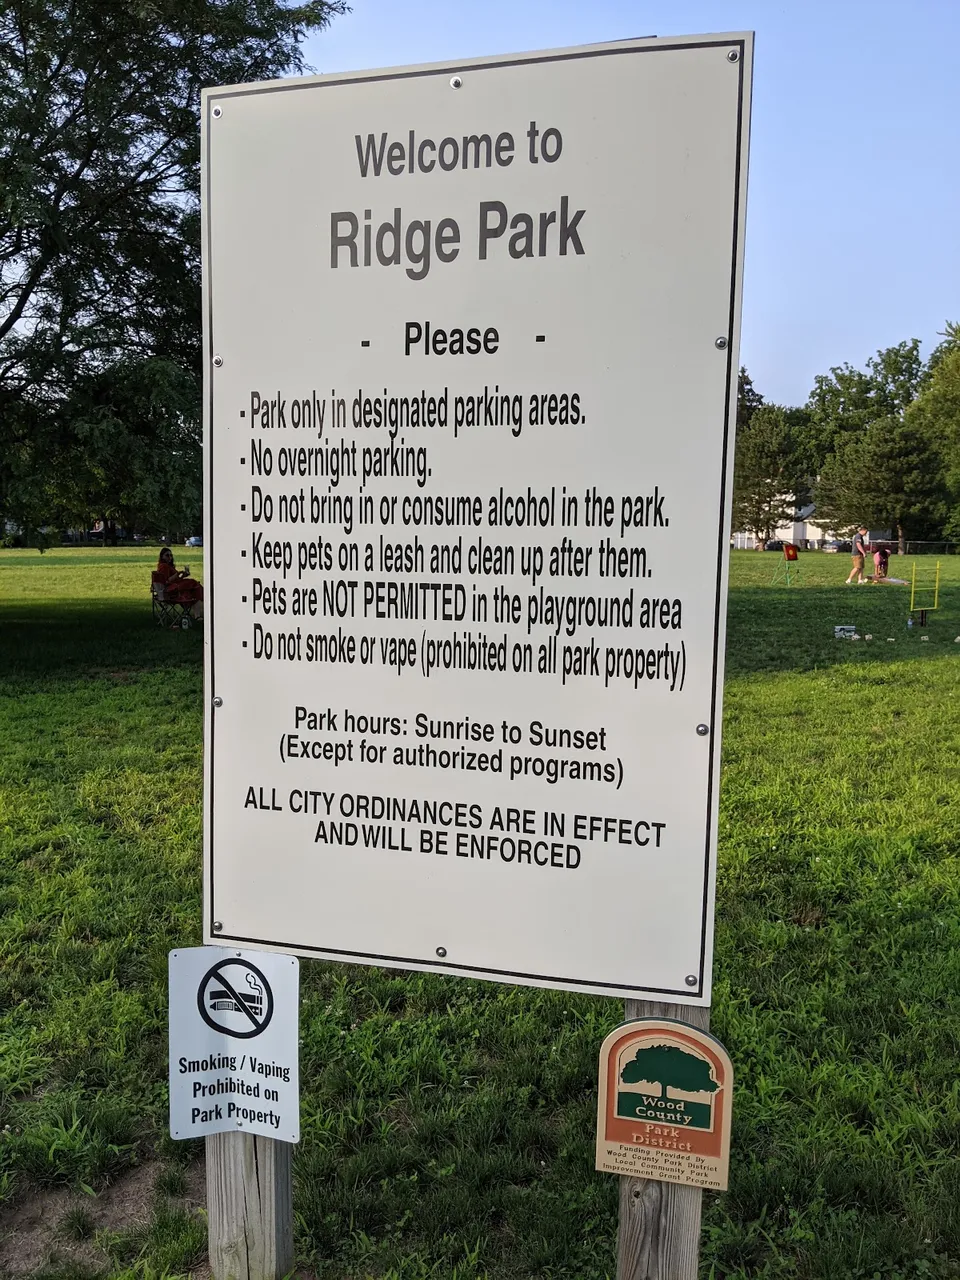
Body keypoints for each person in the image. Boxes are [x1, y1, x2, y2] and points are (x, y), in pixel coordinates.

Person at [155, 547, 204, 619]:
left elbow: (175, 580)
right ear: (162, 556)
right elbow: (166, 581)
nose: (170, 557)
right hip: (170, 590)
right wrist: (177, 574)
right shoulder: (164, 566)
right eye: (167, 555)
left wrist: (182, 576)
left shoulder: (167, 566)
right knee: (194, 584)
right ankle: (197, 614)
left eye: (171, 555)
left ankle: (197, 615)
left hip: (174, 587)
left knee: (194, 588)